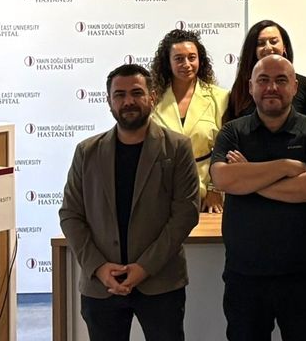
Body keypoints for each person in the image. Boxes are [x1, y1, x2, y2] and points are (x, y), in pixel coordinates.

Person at [59, 64, 201, 341]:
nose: (128, 101)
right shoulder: (87, 152)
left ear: (152, 96)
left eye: (136, 93)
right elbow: (70, 214)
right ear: (109, 101)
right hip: (102, 285)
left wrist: (145, 267)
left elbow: (186, 214)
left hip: (160, 282)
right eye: (119, 95)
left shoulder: (177, 148)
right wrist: (99, 267)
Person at [210, 54, 306, 341]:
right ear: (250, 86)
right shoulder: (233, 131)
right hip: (245, 275)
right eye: (263, 80)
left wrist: (249, 178)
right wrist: (284, 167)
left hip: (304, 275)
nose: (272, 88)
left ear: (295, 86)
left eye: (281, 80)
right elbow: (223, 179)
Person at [148, 29, 229, 213]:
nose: (186, 64)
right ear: (168, 63)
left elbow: (226, 149)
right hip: (161, 193)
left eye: (192, 57)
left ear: (200, 60)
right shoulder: (152, 99)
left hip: (207, 198)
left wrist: (215, 189)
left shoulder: (220, 98)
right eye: (178, 59)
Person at [224, 19, 306, 123]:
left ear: (284, 47)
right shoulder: (241, 87)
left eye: (274, 42)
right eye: (261, 43)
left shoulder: (305, 85)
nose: (268, 47)